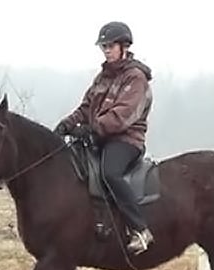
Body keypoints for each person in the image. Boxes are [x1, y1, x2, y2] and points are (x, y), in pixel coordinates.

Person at [54, 21, 154, 255]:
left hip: (126, 140)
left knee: (109, 172)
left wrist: (91, 128)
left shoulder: (135, 78)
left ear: (124, 46)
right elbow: (86, 107)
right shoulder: (103, 77)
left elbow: (122, 116)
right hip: (101, 138)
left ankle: (140, 229)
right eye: (104, 47)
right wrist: (67, 123)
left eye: (110, 46)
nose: (106, 50)